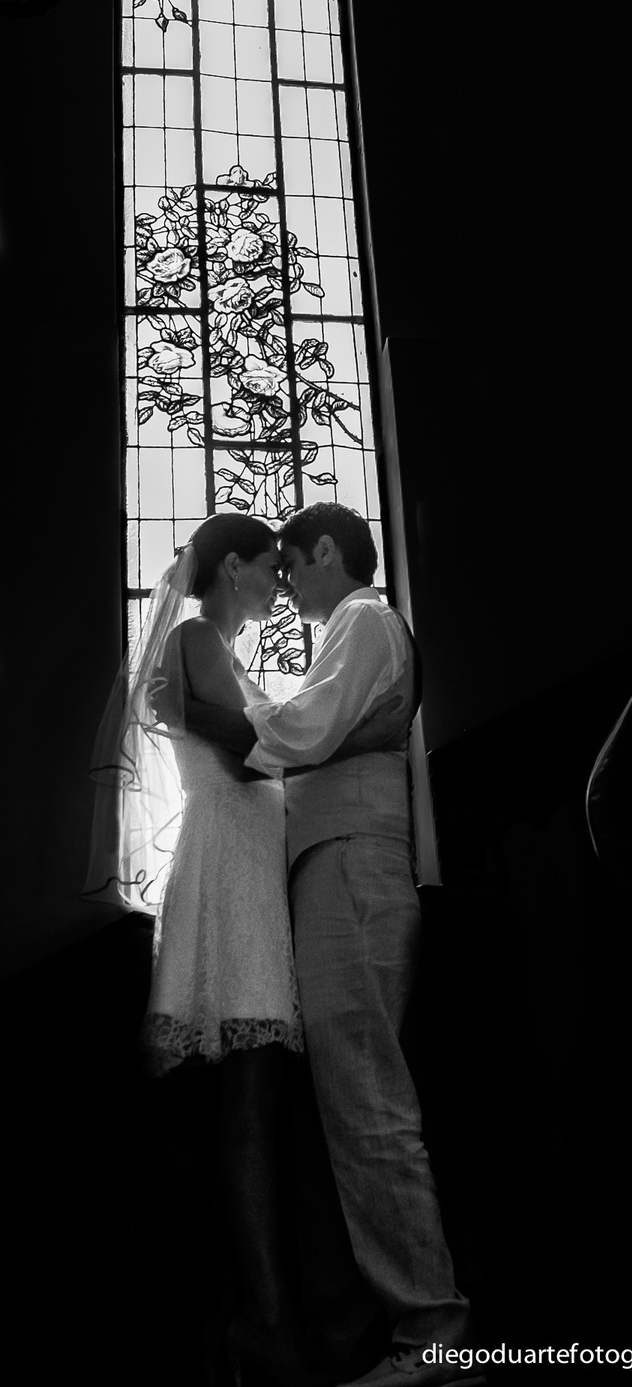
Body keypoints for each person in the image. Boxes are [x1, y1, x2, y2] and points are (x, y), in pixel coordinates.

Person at [182, 503, 482, 1387]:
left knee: (368, 1101)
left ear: (324, 552)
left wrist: (195, 713)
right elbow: (315, 727)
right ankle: (417, 1327)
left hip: (351, 870)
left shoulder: (361, 619)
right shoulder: (351, 637)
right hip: (336, 870)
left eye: (292, 565)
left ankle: (437, 1334)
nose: (284, 586)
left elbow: (296, 733)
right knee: (355, 1103)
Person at [92, 513, 392, 1387]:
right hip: (229, 868)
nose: (280, 583)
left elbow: (257, 740)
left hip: (251, 868)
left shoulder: (217, 652)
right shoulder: (195, 638)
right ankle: (264, 1322)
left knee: (257, 1104)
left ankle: (256, 1316)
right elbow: (253, 758)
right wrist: (356, 736)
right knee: (251, 1105)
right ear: (233, 566)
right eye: (271, 567)